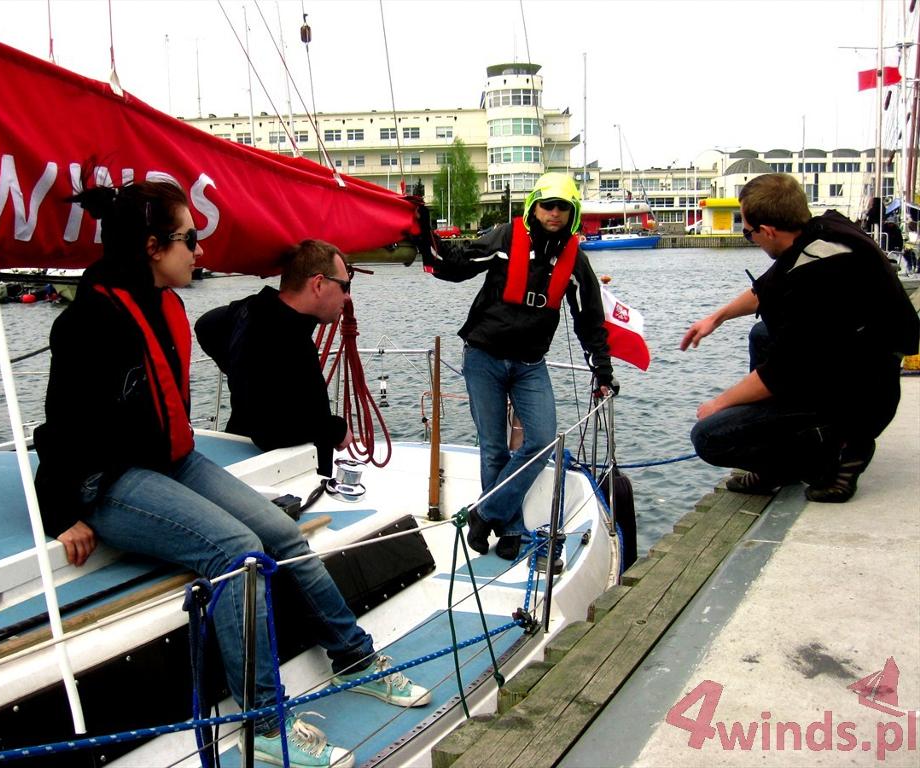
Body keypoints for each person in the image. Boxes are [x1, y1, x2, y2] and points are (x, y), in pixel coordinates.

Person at [33, 178, 429, 768]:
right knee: (237, 552)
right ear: (151, 246)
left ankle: (354, 656)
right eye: (190, 240)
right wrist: (61, 512)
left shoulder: (164, 304)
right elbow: (60, 427)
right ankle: (264, 723)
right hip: (108, 480)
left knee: (283, 534)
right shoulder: (90, 320)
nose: (200, 252)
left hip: (172, 460)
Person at [414, 172, 617, 560]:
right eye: (547, 206)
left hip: (530, 364)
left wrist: (602, 369)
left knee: (541, 441)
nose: (554, 214)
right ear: (534, 207)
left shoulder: (575, 261)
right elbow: (455, 264)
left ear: (572, 213)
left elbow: (589, 319)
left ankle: (485, 512)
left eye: (563, 207)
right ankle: (509, 530)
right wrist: (426, 232)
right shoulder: (506, 238)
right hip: (483, 356)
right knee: (493, 448)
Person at [681, 173, 919, 503]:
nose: (751, 239)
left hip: (865, 395)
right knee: (762, 333)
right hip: (854, 360)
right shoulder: (819, 233)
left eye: (749, 234)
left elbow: (778, 375)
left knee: (709, 437)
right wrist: (715, 317)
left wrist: (717, 405)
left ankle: (842, 453)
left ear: (767, 231)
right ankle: (780, 461)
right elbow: (765, 290)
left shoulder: (820, 278)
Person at [195, 239, 352, 478]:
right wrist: (335, 430)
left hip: (244, 459)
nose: (347, 297)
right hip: (280, 479)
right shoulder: (283, 336)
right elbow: (273, 430)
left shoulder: (253, 310)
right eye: (344, 286)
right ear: (318, 284)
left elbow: (205, 325)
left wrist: (237, 368)